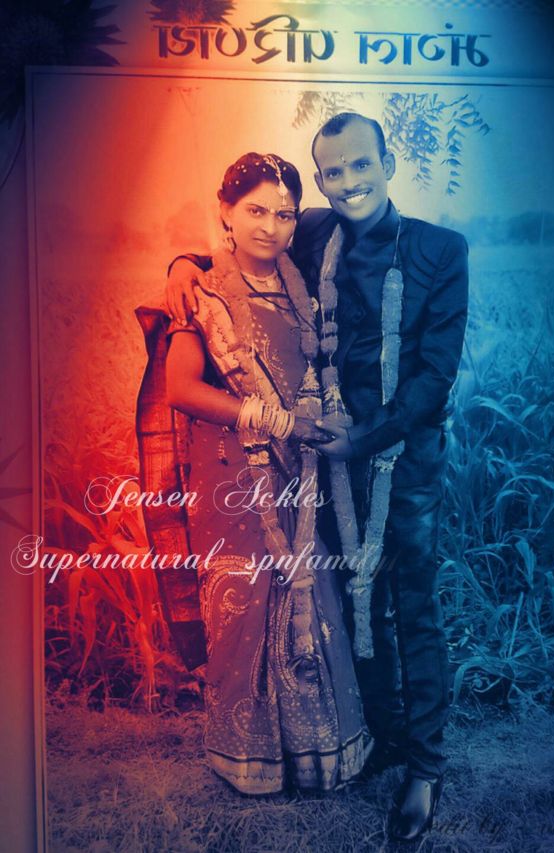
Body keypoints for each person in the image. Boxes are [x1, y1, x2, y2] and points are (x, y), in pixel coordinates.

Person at [166, 114, 469, 840]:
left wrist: (362, 438)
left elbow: (434, 379)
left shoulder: (439, 248)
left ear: (387, 162)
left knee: (411, 605)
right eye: (333, 172)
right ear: (322, 183)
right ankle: (378, 733)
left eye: (361, 165)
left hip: (399, 460)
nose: (349, 182)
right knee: (351, 604)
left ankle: (424, 767)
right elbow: (240, 238)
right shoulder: (313, 230)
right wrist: (181, 264)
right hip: (319, 467)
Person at [136, 152, 372, 796]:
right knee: (246, 608)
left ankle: (315, 755)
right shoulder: (203, 293)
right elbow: (182, 388)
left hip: (305, 472)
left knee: (312, 596)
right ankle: (249, 758)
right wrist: (269, 417)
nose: (270, 226)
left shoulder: (305, 290)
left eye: (285, 214)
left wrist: (313, 423)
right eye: (256, 210)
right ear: (226, 212)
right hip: (234, 477)